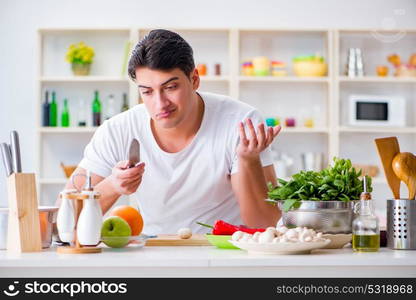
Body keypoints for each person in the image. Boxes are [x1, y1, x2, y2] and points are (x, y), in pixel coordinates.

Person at [58, 29, 282, 235]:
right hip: (154, 250)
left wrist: (248, 160)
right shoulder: (118, 130)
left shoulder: (241, 123)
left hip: (225, 252)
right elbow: (64, 216)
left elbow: (265, 225)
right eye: (147, 92)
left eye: (170, 87)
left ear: (194, 80)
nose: (160, 104)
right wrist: (113, 185)